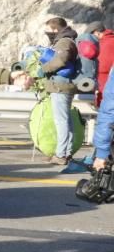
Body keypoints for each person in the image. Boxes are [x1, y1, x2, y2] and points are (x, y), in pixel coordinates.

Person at [41, 17, 80, 166]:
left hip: (60, 86)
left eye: (49, 30)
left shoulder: (64, 41)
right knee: (66, 121)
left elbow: (61, 59)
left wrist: (44, 69)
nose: (47, 32)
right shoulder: (67, 39)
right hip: (64, 86)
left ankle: (61, 154)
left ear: (56, 29)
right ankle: (67, 152)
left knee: (61, 121)